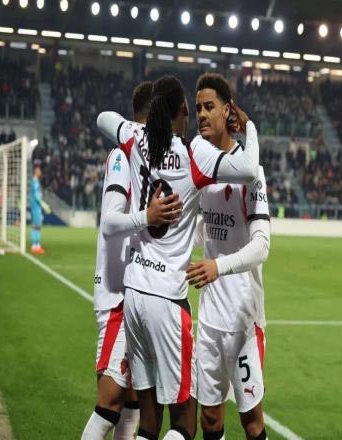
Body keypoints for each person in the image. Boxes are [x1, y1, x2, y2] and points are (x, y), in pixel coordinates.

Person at [97, 75, 260, 440]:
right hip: (168, 298)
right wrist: (250, 128)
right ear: (184, 110)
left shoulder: (137, 139)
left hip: (134, 294)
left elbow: (103, 119)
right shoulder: (193, 153)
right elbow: (249, 169)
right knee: (184, 423)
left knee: (148, 422)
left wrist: (136, 129)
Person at [82, 81, 184, 440]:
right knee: (108, 405)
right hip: (118, 297)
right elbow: (110, 222)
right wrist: (147, 216)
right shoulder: (124, 156)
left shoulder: (150, 158)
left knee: (132, 406)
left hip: (137, 294)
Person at [186, 73, 270, 440]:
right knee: (209, 419)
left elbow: (262, 246)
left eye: (209, 107)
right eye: (198, 108)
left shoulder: (252, 172)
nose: (202, 115)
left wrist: (217, 267)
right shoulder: (202, 168)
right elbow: (204, 228)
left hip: (243, 318)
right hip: (209, 318)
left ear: (227, 111)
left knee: (251, 421)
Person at [30, 164, 51, 254]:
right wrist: (44, 205)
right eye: (39, 170)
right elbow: (36, 196)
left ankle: (36, 245)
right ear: (36, 171)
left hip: (36, 206)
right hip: (36, 207)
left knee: (37, 226)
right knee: (36, 226)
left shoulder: (35, 181)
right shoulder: (35, 182)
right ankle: (35, 246)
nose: (40, 172)